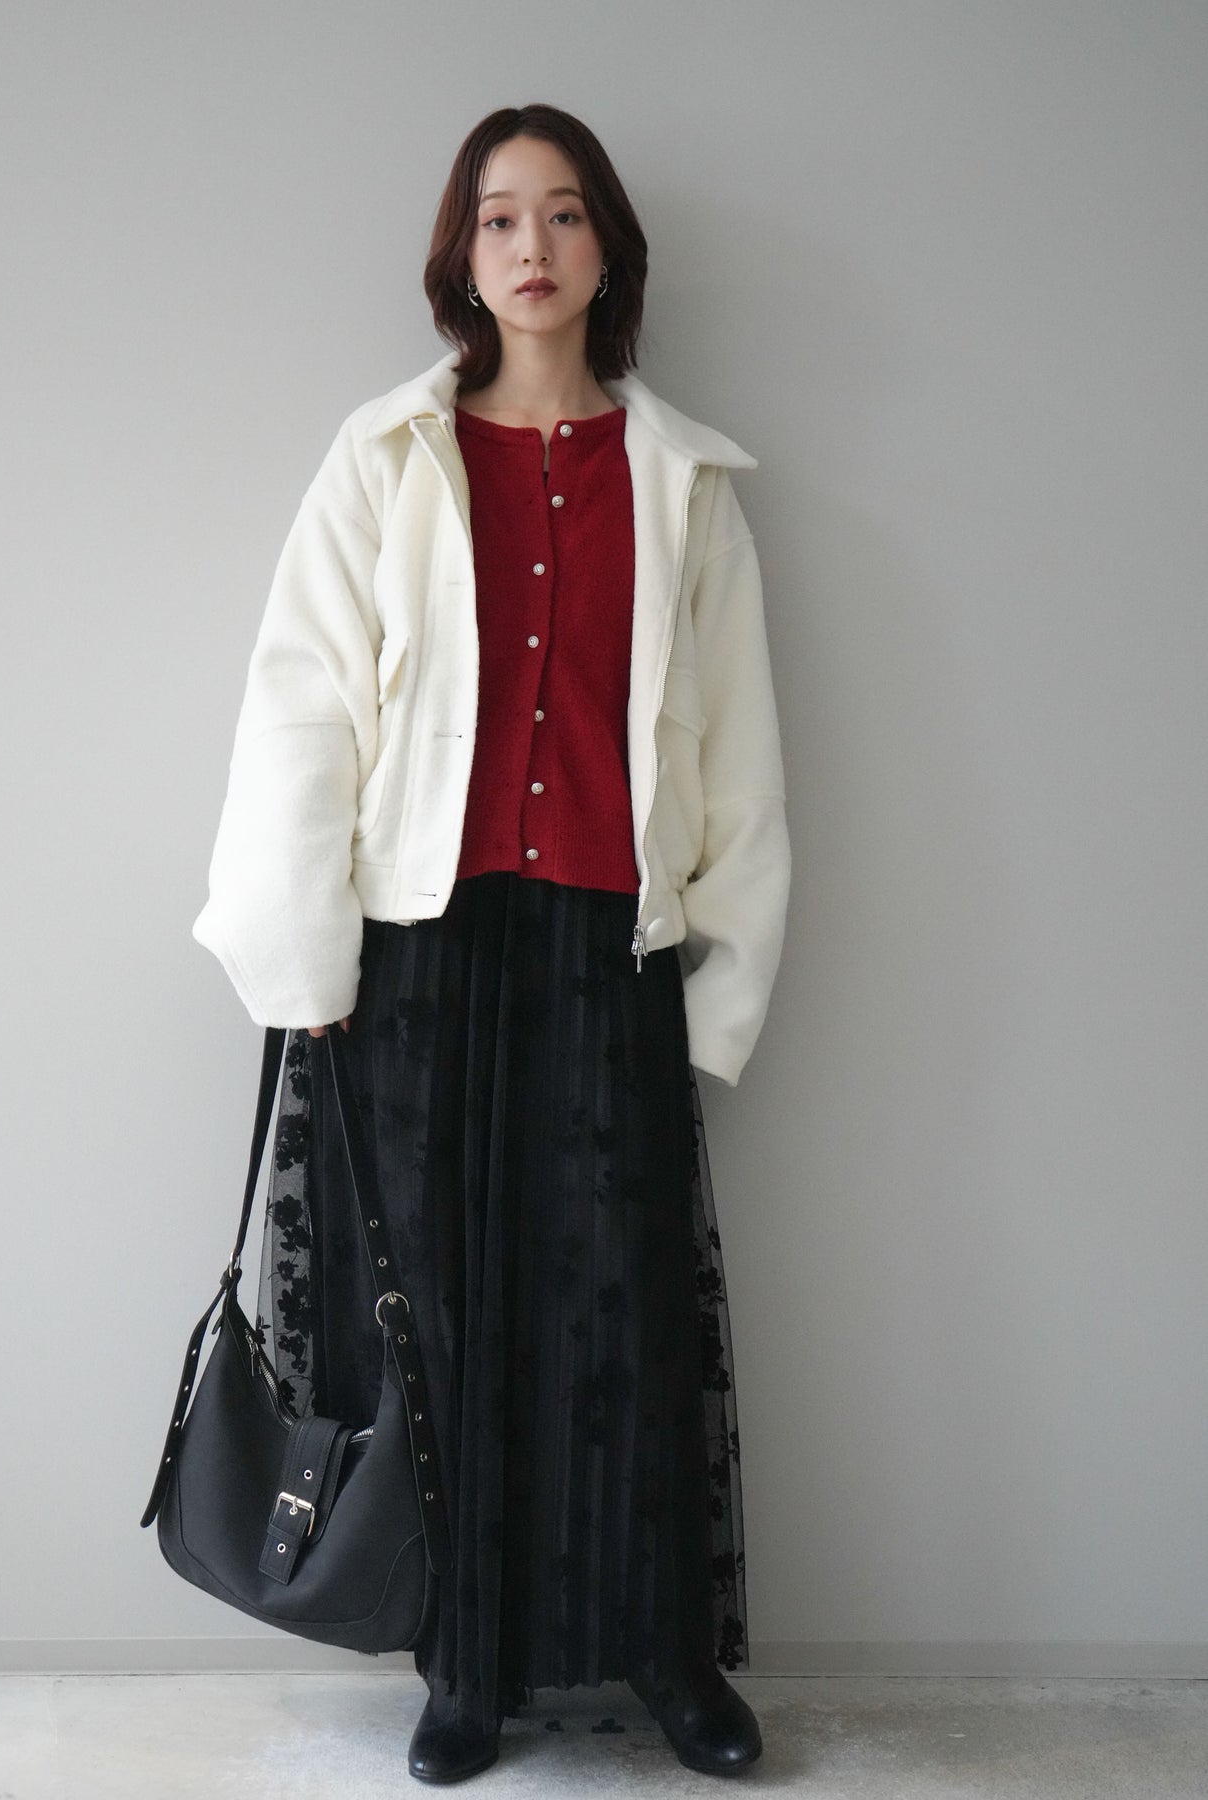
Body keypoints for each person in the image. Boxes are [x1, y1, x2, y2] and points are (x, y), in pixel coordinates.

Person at [192, 103, 791, 1784]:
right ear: (463, 257)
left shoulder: (683, 483)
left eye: (565, 213)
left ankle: (664, 1656)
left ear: (608, 251)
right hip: (420, 956)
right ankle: (462, 1665)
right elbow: (301, 710)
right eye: (500, 217)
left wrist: (721, 989)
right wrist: (301, 961)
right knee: (435, 1319)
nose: (533, 246)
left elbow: (741, 752)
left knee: (620, 1314)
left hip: (608, 950)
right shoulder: (385, 459)